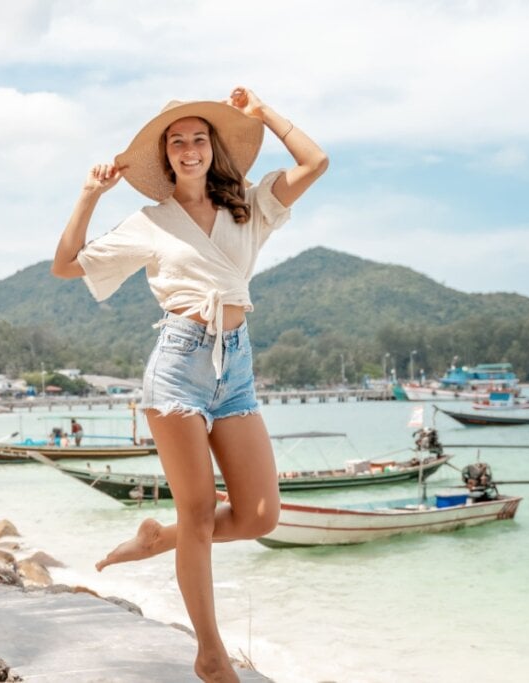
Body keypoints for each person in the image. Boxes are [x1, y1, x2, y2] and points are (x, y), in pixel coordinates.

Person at [52, 86, 327, 682]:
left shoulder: (247, 207)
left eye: (199, 137)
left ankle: (158, 539)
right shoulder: (150, 222)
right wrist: (88, 197)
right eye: (176, 141)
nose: (189, 148)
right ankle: (210, 654)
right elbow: (66, 264)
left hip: (238, 368)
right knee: (201, 514)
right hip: (179, 364)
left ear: (213, 147)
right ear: (166, 156)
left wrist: (264, 114)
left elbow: (315, 162)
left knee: (260, 515)